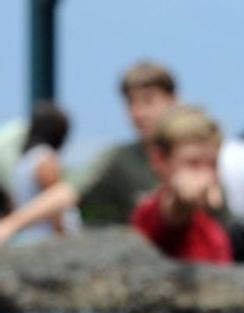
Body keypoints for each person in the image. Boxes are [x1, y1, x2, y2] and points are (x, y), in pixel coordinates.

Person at [0, 61, 175, 241]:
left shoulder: (197, 147)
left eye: (148, 100)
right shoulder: (119, 158)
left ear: (172, 99)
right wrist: (10, 224)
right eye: (131, 103)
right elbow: (67, 193)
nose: (138, 112)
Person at [129, 105, 232, 264]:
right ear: (160, 160)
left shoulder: (209, 224)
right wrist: (182, 197)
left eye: (212, 164)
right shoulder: (149, 213)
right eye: (193, 164)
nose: (207, 175)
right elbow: (173, 210)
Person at [2, 102, 74, 247]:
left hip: (25, 237)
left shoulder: (22, 163)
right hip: (47, 239)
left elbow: (15, 204)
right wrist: (64, 235)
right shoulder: (45, 158)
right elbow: (56, 205)